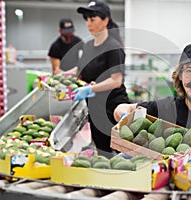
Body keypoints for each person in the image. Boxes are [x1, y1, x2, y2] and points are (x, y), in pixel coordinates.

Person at [65, 0, 130, 158]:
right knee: (103, 153)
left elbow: (116, 80)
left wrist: (90, 89)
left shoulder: (113, 47)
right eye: (86, 19)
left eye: (92, 19)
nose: (88, 23)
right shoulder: (88, 46)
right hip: (95, 109)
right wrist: (60, 77)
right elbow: (79, 69)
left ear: (105, 20)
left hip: (114, 108)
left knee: (124, 153)